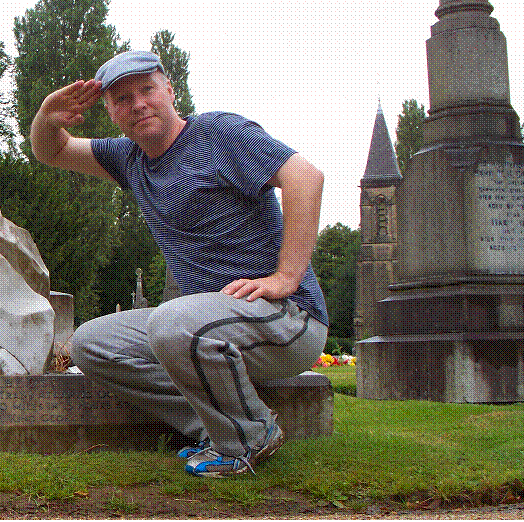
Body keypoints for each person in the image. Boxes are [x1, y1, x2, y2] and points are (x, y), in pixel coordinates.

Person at [30, 50, 329, 478]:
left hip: (287, 319)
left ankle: (248, 436)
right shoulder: (128, 158)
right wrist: (46, 116)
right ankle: (214, 428)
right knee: (91, 344)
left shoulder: (219, 133)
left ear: (170, 91)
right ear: (111, 112)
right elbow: (53, 150)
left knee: (172, 322)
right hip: (207, 323)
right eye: (122, 99)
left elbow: (305, 176)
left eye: (147, 90)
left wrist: (286, 276)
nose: (138, 104)